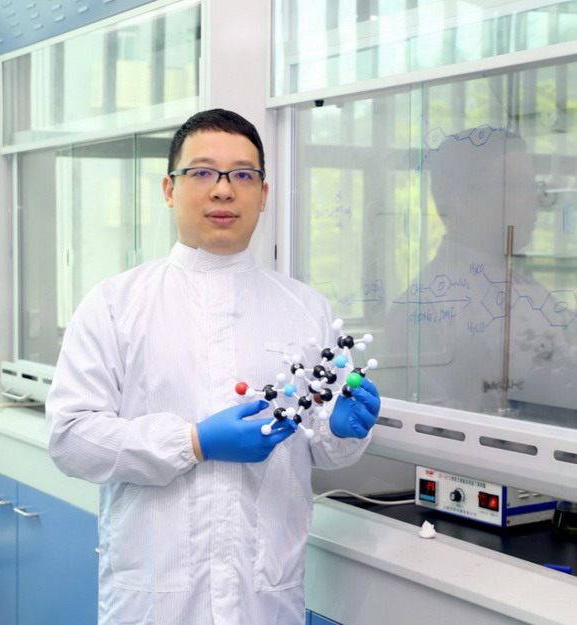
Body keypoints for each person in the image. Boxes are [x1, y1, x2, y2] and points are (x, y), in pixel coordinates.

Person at [46, 108, 381, 625]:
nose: (223, 190)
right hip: (156, 601)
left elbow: (323, 449)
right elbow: (71, 439)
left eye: (242, 175)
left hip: (264, 598)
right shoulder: (115, 305)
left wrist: (341, 431)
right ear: (169, 188)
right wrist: (193, 442)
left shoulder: (306, 309)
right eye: (202, 172)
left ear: (263, 195)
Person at [380, 127, 575, 417]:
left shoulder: (534, 293)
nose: (536, 200)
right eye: (518, 186)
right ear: (462, 200)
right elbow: (428, 426)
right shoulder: (423, 308)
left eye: (534, 185)